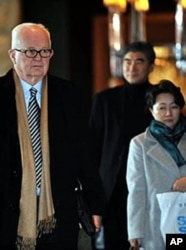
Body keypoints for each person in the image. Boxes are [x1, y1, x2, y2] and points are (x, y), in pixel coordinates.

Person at [0, 22, 104, 250]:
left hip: (57, 213)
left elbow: (85, 155)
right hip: (3, 213)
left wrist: (95, 205)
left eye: (45, 51)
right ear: (13, 55)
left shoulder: (69, 95)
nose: (38, 58)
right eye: (30, 52)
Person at [89, 41, 156, 250]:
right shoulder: (105, 100)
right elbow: (92, 148)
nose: (132, 67)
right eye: (127, 62)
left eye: (139, 62)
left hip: (149, 184)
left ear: (150, 67)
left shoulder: (161, 99)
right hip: (113, 188)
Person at [126, 79, 186, 249]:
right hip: (156, 220)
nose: (169, 112)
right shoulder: (140, 143)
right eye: (162, 107)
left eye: (174, 106)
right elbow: (136, 189)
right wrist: (135, 231)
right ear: (151, 110)